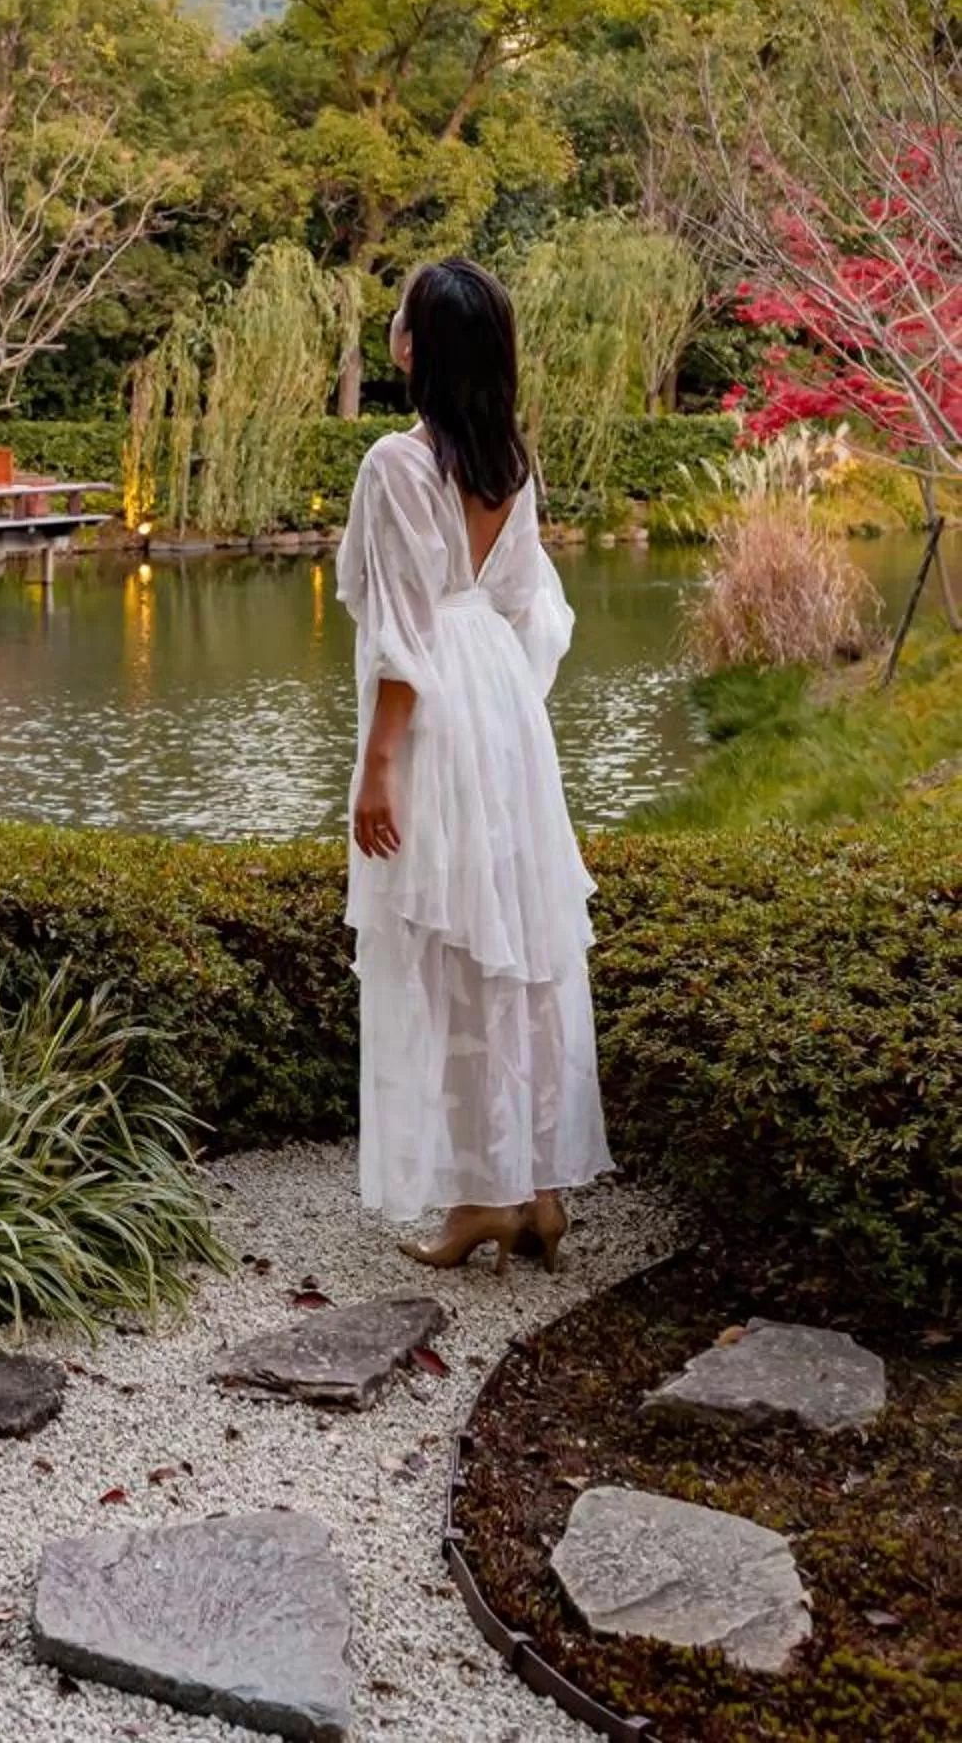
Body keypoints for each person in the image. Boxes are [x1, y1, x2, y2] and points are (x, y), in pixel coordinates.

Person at [337, 256, 611, 1273]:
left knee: (447, 945)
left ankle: (476, 1201)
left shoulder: (396, 466)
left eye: (401, 320)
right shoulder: (508, 462)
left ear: (418, 349)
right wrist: (504, 719)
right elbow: (530, 615)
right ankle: (531, 1189)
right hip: (502, 709)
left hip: (438, 720)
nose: (393, 330)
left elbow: (402, 635)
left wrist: (376, 766)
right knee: (514, 939)